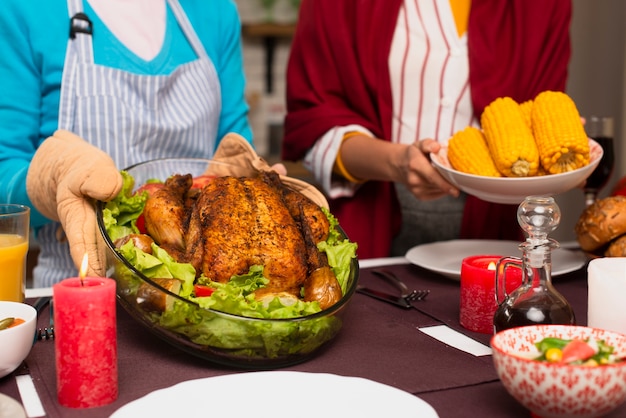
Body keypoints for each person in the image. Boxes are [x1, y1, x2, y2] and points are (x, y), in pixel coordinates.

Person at [282, 0, 572, 259]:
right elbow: (312, 121)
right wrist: (397, 163)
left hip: (496, 228)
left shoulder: (545, 6)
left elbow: (539, 114)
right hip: (375, 216)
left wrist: (558, 161)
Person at [0, 0, 254, 287]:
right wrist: (50, 177)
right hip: (79, 291)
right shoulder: (25, 8)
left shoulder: (215, 11)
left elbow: (234, 143)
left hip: (204, 302)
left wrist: (251, 178)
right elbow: (3, 173)